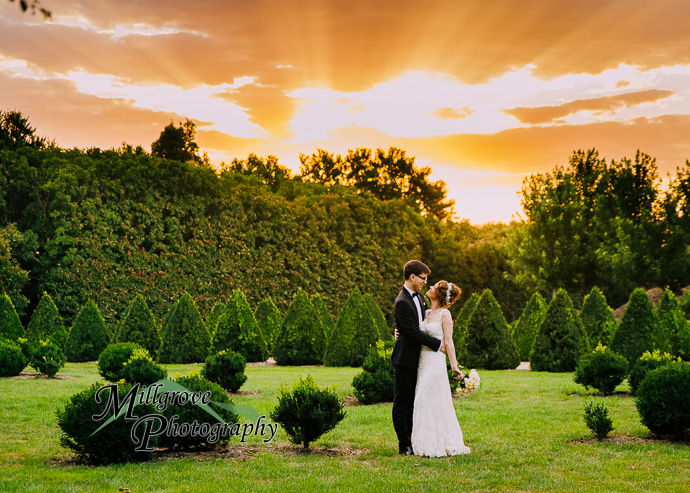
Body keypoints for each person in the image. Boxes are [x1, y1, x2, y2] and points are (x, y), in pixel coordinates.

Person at [391, 260, 450, 456]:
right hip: (406, 359)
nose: (426, 282)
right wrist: (437, 344)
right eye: (423, 278)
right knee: (403, 404)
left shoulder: (420, 298)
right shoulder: (401, 301)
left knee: (418, 402)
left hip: (421, 359)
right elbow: (413, 332)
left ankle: (416, 440)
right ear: (412, 277)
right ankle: (404, 445)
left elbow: (420, 324)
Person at [411, 280, 471, 457]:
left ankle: (435, 443)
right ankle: (421, 442)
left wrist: (454, 365)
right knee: (422, 399)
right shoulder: (426, 312)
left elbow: (449, 342)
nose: (430, 288)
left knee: (427, 397)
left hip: (435, 363)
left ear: (440, 294)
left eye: (434, 287)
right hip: (422, 362)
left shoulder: (445, 314)